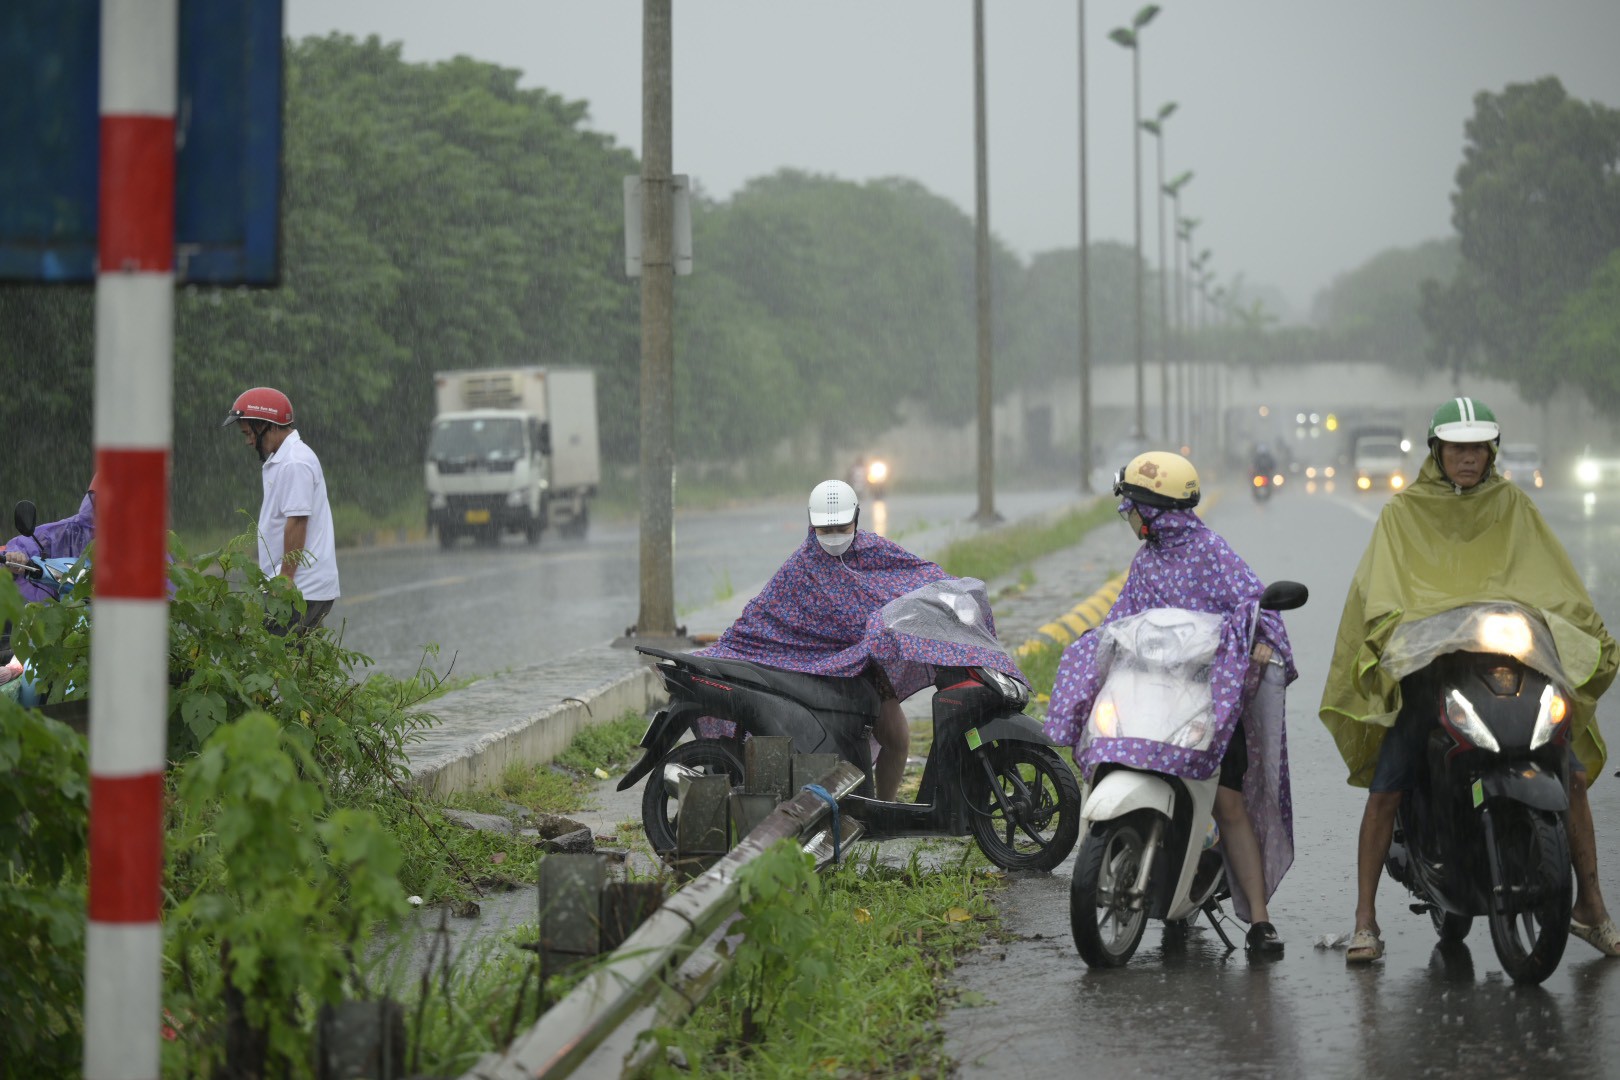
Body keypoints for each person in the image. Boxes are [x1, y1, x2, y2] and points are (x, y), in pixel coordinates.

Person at [1321, 396, 1620, 963]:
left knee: (1571, 774)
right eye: (1457, 447)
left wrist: (1584, 630)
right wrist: (1401, 634)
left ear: (1491, 452)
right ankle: (1364, 920)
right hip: (1433, 668)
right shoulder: (1402, 513)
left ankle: (1593, 907)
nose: (1468, 458)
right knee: (1389, 783)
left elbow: (1554, 583)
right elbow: (1381, 592)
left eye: (1478, 447)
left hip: (1510, 661)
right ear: (1437, 452)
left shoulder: (1514, 506)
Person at [1045, 450, 1297, 954]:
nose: (1131, 518)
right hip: (1146, 696)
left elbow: (1253, 607)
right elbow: (1121, 621)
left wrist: (1257, 636)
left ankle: (1261, 921)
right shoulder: (1147, 562)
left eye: (1134, 508)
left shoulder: (1212, 553)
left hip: (1207, 703)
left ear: (1153, 510)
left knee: (1227, 802)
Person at [700, 478, 969, 801]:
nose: (834, 536)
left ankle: (884, 807)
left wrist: (954, 596)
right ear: (812, 525)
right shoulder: (799, 568)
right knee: (834, 749)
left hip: (863, 667)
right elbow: (759, 618)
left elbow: (919, 574)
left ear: (856, 518)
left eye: (841, 527)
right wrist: (720, 653)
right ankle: (844, 808)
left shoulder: (875, 551)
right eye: (825, 530)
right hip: (817, 674)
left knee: (897, 738)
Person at [222, 387, 340, 635]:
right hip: (299, 588)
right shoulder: (284, 460)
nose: (249, 441)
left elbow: (297, 521)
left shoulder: (295, 462)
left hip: (298, 589)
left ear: (269, 425)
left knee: (279, 666)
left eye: (249, 432)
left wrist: (285, 579)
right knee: (298, 666)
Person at [3, 473, 97, 603]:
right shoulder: (67, 532)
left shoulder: (133, 546)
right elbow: (24, 546)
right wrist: (15, 557)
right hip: (59, 617)